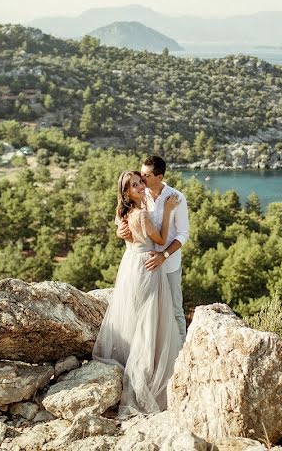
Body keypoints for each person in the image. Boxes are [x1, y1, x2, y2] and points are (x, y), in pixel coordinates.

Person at [92, 170, 182, 417]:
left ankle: (134, 365)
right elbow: (162, 238)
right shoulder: (141, 214)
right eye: (134, 185)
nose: (141, 186)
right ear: (127, 192)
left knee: (137, 317)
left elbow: (121, 229)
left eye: (140, 181)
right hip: (147, 265)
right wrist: (166, 212)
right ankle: (147, 379)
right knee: (149, 321)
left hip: (130, 264)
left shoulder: (122, 213)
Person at [117, 155, 189, 340]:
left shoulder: (176, 198)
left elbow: (183, 234)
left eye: (146, 176)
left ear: (159, 177)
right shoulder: (141, 194)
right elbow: (122, 216)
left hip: (169, 263)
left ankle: (180, 352)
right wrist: (120, 232)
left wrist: (163, 255)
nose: (142, 179)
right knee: (147, 311)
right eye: (141, 175)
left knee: (174, 309)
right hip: (146, 267)